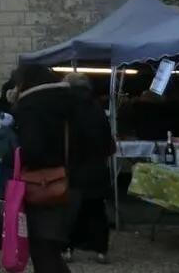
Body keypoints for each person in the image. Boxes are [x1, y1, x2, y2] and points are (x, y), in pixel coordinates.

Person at [7, 63, 105, 273]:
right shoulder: (81, 103)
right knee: (50, 250)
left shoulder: (32, 106)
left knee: (43, 251)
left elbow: (33, 150)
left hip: (47, 184)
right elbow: (102, 142)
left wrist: (10, 157)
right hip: (78, 180)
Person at [63, 72, 115, 264]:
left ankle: (67, 248)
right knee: (95, 210)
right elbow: (106, 137)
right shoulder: (97, 107)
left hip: (73, 166)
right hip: (96, 166)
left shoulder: (65, 108)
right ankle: (101, 249)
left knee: (70, 210)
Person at [0, 98, 18, 200]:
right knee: (9, 176)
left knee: (1, 176)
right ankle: (9, 195)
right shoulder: (11, 134)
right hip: (9, 160)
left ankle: (1, 194)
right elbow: (15, 147)